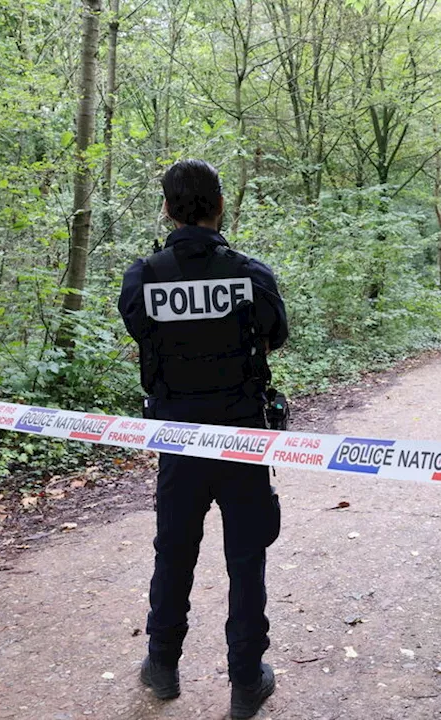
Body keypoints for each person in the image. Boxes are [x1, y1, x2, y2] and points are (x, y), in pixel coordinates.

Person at [119, 159, 288, 720]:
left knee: (174, 553)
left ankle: (162, 666)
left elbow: (141, 331)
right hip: (242, 435)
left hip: (178, 438)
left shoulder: (143, 277)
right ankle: (246, 680)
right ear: (221, 207)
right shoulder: (251, 274)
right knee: (246, 556)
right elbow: (276, 337)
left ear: (166, 208)